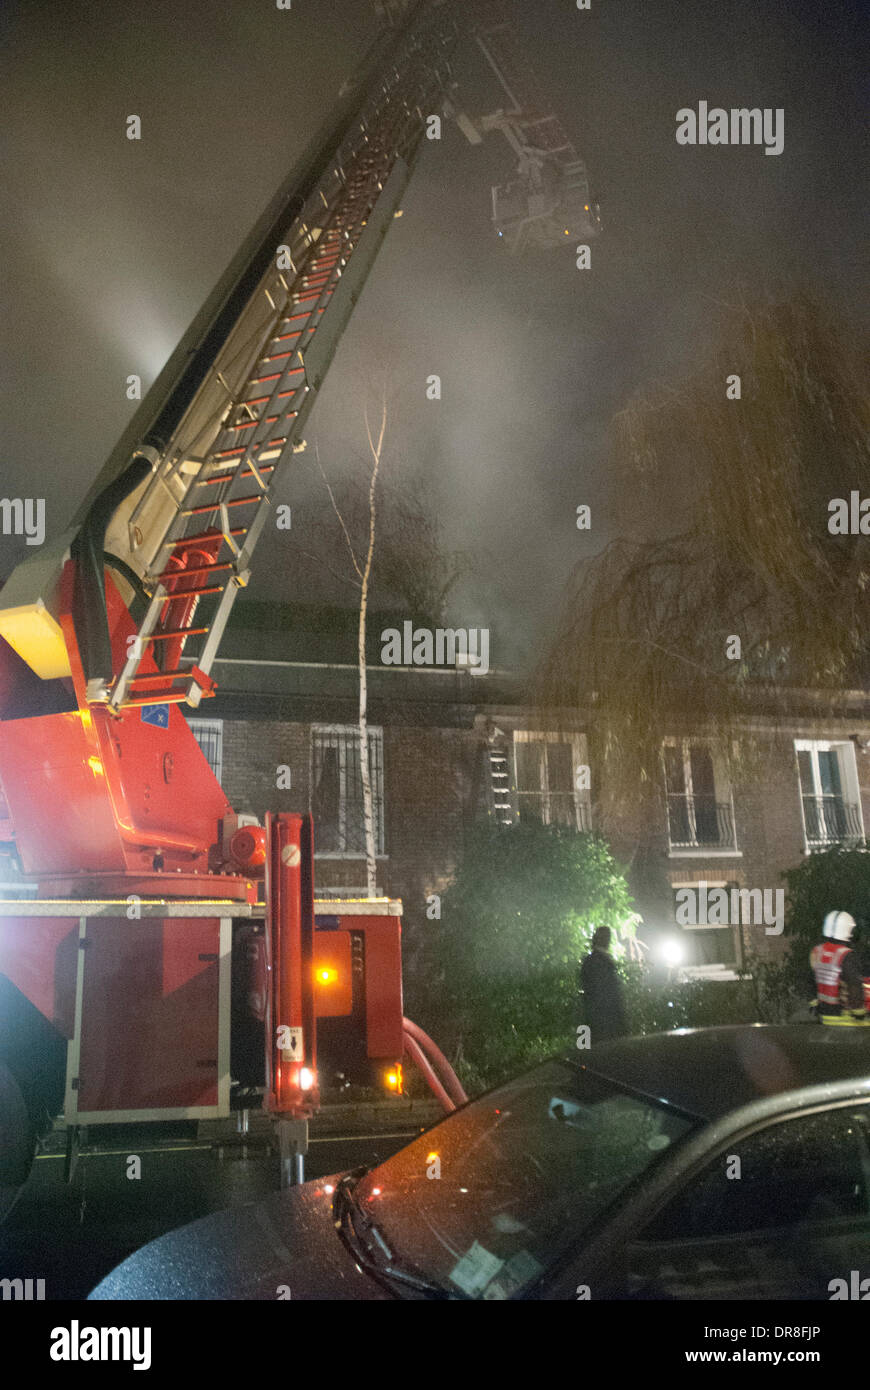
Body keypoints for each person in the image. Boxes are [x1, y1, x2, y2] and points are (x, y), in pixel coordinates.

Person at [809, 911, 869, 1027]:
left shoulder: (817, 951)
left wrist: (814, 1004)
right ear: (848, 931)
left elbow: (811, 981)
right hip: (846, 1020)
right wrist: (860, 1014)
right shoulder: (846, 956)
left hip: (825, 1017)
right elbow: (854, 987)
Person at [579, 926, 629, 1042]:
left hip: (596, 1020)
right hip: (605, 1022)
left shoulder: (591, 961)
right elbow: (609, 993)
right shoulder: (600, 962)